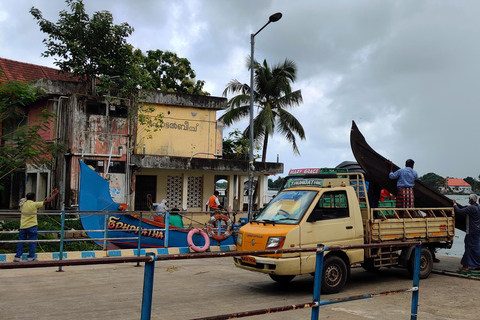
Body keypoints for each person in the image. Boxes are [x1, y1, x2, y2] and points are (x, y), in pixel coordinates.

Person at [14, 189, 59, 262]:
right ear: (33, 198)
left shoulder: (23, 205)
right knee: (32, 242)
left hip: (23, 226)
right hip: (32, 226)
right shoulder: (34, 204)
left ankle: (17, 257)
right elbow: (48, 201)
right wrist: (55, 193)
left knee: (21, 242)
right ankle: (30, 257)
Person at [453, 195, 480, 271]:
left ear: (471, 200)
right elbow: (466, 208)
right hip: (477, 231)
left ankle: (466, 266)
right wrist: (465, 206)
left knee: (468, 247)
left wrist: (454, 204)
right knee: (476, 248)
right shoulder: (478, 207)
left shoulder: (471, 208)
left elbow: (459, 211)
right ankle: (478, 264)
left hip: (470, 231)